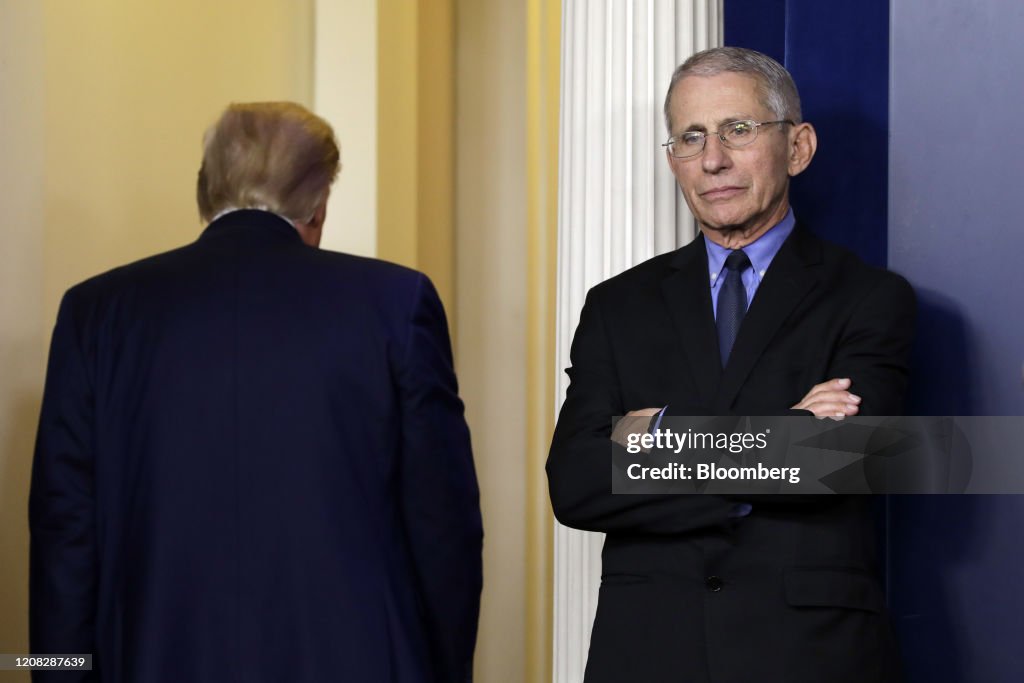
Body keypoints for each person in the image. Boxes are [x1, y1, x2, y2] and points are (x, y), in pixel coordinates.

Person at [30, 102, 482, 683]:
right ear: (318, 205)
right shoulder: (396, 304)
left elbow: (63, 536)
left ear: (206, 191)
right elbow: (443, 527)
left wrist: (55, 673)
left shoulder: (96, 313)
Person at [546, 47, 914, 682]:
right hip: (650, 651)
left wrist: (654, 436)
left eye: (737, 130)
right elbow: (576, 482)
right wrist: (781, 426)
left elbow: (833, 458)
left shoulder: (870, 298)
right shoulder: (616, 306)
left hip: (809, 655)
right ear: (673, 160)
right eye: (692, 137)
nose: (712, 159)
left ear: (797, 148)